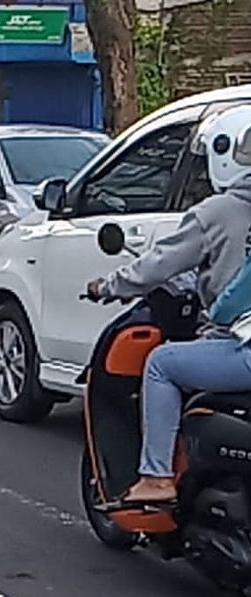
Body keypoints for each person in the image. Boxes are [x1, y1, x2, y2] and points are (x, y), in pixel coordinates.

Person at [86, 106, 251, 507]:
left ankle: (157, 477)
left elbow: (158, 266)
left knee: (161, 364)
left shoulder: (217, 212)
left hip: (242, 350)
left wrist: (110, 286)